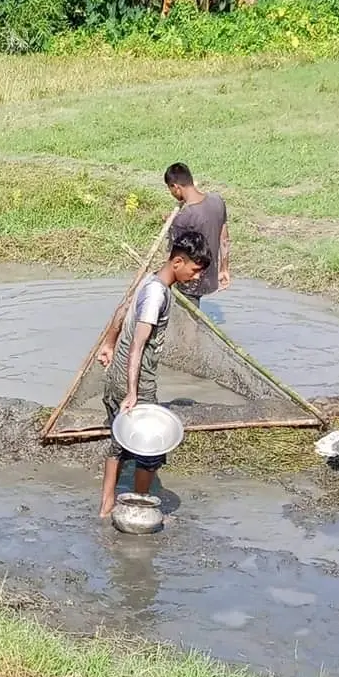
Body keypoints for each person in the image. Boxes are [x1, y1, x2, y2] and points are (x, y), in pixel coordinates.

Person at [96, 230, 211, 519]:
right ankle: (139, 509)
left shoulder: (149, 280)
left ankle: (106, 506)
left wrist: (109, 343)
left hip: (115, 376)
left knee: (119, 441)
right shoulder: (157, 295)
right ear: (177, 262)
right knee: (150, 453)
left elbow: (122, 310)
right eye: (195, 270)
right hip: (134, 380)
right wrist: (134, 393)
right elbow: (137, 346)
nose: (196, 278)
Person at [164, 163, 230, 304]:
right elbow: (224, 239)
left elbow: (174, 259)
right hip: (210, 278)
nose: (172, 195)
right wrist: (224, 269)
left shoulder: (183, 218)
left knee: (186, 322)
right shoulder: (217, 201)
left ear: (176, 187)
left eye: (171, 190)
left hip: (190, 282)